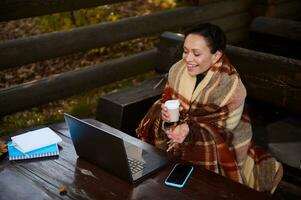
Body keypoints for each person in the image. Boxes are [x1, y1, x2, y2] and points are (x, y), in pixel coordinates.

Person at [136, 23, 282, 193]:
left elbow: (223, 128)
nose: (188, 59)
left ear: (216, 56)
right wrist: (167, 117)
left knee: (206, 161)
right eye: (185, 51)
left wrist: (190, 130)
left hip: (225, 140)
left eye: (196, 53)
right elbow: (168, 99)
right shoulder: (177, 70)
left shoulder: (230, 86)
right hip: (179, 136)